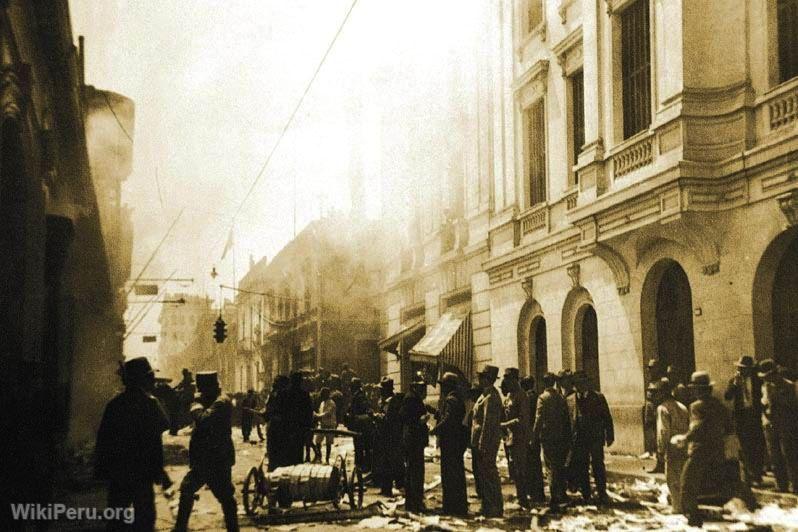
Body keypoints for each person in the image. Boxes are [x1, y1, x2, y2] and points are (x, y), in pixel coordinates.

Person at [95, 357, 171, 531]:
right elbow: (156, 439)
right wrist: (160, 471)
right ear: (143, 380)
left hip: (118, 472)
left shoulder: (114, 404)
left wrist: (102, 470)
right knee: (144, 519)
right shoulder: (150, 404)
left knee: (116, 517)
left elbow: (103, 440)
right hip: (142, 473)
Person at [673, 371, 756, 527]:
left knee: (687, 484)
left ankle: (692, 516)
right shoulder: (720, 406)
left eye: (694, 388)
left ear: (698, 389)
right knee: (728, 482)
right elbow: (729, 428)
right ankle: (751, 503)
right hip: (717, 450)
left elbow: (698, 428)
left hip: (699, 451)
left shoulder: (696, 406)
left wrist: (685, 437)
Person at [174, 371, 238, 532]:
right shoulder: (211, 401)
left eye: (201, 388)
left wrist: (195, 406)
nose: (199, 392)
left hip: (217, 459)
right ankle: (180, 528)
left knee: (225, 497)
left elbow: (204, 421)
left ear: (210, 387)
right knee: (188, 489)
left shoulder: (221, 402)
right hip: (205, 459)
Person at [569, 370, 614, 504]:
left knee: (598, 465)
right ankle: (586, 494)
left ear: (586, 384)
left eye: (581, 384)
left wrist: (609, 435)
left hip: (595, 438)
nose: (578, 387)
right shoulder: (570, 400)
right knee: (582, 466)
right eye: (576, 384)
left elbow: (607, 417)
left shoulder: (598, 397)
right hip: (579, 439)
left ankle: (602, 492)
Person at [724, 355, 765, 485]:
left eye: (745, 368)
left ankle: (757, 474)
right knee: (744, 447)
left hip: (755, 415)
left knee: (757, 445)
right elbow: (727, 397)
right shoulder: (734, 381)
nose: (742, 371)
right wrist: (735, 385)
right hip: (742, 417)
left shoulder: (757, 380)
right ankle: (748, 475)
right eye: (740, 368)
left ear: (750, 369)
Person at [431, 372, 468, 516]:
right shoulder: (457, 398)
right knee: (456, 473)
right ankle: (457, 506)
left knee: (450, 474)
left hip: (451, 441)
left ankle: (452, 507)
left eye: (443, 385)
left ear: (448, 386)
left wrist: (436, 429)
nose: (442, 388)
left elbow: (448, 420)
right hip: (455, 440)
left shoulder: (451, 399)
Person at [758, 359, 798, 494]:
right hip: (769, 424)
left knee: (789, 454)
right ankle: (781, 484)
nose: (768, 379)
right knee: (774, 455)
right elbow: (763, 404)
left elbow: (792, 405)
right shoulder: (765, 386)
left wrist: (775, 396)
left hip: (785, 424)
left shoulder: (788, 386)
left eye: (769, 376)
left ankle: (795, 483)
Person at [533, 372, 571, 509]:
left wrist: (534, 436)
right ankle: (562, 492)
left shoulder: (542, 398)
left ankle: (555, 496)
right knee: (559, 465)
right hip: (560, 436)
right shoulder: (561, 398)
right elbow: (566, 418)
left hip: (548, 437)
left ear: (544, 383)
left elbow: (539, 419)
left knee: (550, 467)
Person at [470, 365, 503, 517]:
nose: (479, 379)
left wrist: (482, 444)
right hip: (480, 441)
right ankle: (487, 504)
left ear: (487, 379)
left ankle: (494, 507)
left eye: (482, 377)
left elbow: (488, 424)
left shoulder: (492, 397)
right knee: (483, 475)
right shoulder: (484, 395)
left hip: (487, 442)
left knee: (489, 474)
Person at [655, 378, 689, 513]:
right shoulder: (682, 406)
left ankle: (677, 507)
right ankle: (684, 504)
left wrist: (660, 449)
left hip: (672, 445)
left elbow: (663, 431)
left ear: (662, 393)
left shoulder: (662, 408)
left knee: (672, 477)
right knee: (683, 475)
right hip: (684, 443)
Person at [500, 367, 532, 508]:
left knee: (521, 470)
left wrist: (505, 424)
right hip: (509, 438)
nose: (505, 381)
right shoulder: (509, 396)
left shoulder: (521, 396)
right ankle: (520, 495)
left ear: (514, 379)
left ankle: (523, 498)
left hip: (520, 438)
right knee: (513, 469)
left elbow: (523, 419)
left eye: (508, 378)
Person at [401, 373, 430, 514]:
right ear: (416, 387)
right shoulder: (411, 399)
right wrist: (421, 420)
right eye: (422, 387)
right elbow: (406, 418)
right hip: (413, 440)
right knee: (415, 472)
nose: (425, 390)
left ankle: (414, 502)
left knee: (415, 471)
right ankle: (414, 503)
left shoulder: (414, 398)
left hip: (414, 440)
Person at [374, 377, 405, 496]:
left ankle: (391, 487)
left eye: (382, 389)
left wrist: (376, 416)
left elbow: (387, 418)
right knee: (390, 461)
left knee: (390, 461)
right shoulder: (386, 400)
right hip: (389, 435)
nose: (380, 391)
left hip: (390, 435)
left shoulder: (391, 401)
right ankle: (392, 486)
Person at [520, 375, 545, 503]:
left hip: (528, 434)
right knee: (535, 463)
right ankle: (538, 492)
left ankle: (534, 492)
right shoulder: (537, 396)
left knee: (530, 464)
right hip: (534, 434)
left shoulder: (527, 397)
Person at [284, 371, 314, 466]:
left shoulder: (284, 394)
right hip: (299, 429)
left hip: (286, 429)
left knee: (287, 456)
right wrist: (308, 427)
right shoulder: (304, 395)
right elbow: (309, 413)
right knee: (297, 455)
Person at [347, 377, 374, 473]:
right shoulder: (358, 395)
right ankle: (361, 466)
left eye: (352, 385)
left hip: (361, 425)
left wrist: (353, 415)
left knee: (361, 446)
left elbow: (362, 409)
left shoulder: (359, 396)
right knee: (360, 446)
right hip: (359, 424)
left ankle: (362, 466)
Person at [263, 375, 289, 471]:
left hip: (275, 427)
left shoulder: (274, 395)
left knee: (273, 455)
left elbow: (267, 411)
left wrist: (266, 415)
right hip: (286, 430)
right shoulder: (289, 394)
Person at [645, 359, 665, 473]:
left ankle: (661, 464)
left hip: (659, 414)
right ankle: (659, 463)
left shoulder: (662, 382)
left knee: (661, 439)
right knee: (655, 440)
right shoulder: (651, 381)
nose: (650, 370)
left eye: (652, 368)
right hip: (652, 415)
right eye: (649, 368)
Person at [313, 387, 337, 464]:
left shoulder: (331, 403)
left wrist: (318, 416)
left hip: (330, 425)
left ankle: (327, 459)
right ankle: (319, 457)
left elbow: (328, 413)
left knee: (328, 443)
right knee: (317, 442)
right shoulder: (322, 403)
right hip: (322, 425)